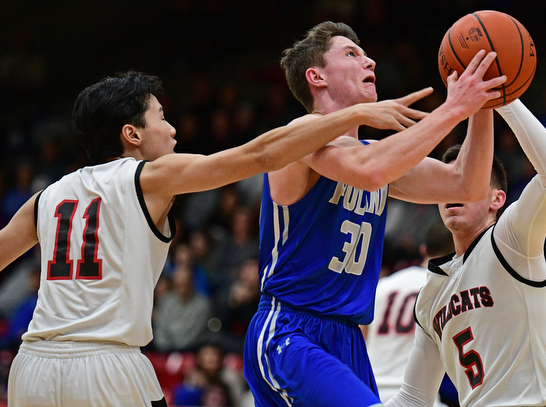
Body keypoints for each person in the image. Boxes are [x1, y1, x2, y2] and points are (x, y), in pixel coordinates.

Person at [0, 70, 422, 407]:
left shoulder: (45, 197)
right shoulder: (150, 176)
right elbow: (258, 155)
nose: (172, 130)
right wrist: (353, 116)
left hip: (32, 368)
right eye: (161, 117)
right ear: (132, 135)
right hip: (105, 364)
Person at [243, 21, 507, 407]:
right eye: (351, 53)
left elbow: (466, 184)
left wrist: (480, 105)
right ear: (316, 76)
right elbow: (370, 170)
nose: (369, 61)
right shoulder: (301, 136)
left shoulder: (371, 152)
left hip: (347, 337)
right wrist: (452, 108)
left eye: (365, 53)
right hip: (290, 329)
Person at [385, 98, 546, 407]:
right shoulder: (430, 295)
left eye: (468, 182)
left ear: (497, 200)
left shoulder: (511, 240)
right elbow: (413, 398)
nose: (454, 190)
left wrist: (504, 97)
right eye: (448, 183)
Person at [363, 220, 454, 405]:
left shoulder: (383, 285)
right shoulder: (447, 292)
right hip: (416, 397)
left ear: (422, 249)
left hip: (371, 393)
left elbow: (361, 337)